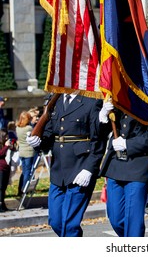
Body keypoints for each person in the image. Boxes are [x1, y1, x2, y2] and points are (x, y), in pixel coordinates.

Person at [26, 93, 105, 237]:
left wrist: (89, 168)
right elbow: (49, 135)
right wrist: (38, 143)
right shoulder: (55, 101)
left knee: (70, 224)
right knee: (56, 221)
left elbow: (98, 140)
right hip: (58, 170)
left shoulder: (91, 101)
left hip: (80, 167)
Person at [97, 101, 148, 237]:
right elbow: (98, 134)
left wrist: (128, 144)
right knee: (116, 219)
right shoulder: (116, 98)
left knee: (133, 219)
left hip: (138, 165)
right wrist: (103, 116)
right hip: (115, 165)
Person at [15, 111, 36, 196]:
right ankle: (24, 189)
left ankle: (20, 189)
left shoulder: (17, 128)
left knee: (23, 172)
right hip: (29, 152)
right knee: (27, 172)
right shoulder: (28, 128)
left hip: (21, 151)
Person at [0, 129, 13, 212]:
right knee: (0, 187)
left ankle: (3, 204)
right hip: (0, 168)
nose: (7, 138)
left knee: (4, 187)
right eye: (6, 136)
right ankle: (0, 204)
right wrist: (6, 146)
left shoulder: (4, 145)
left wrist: (11, 146)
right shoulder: (3, 145)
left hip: (6, 168)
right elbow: (0, 154)